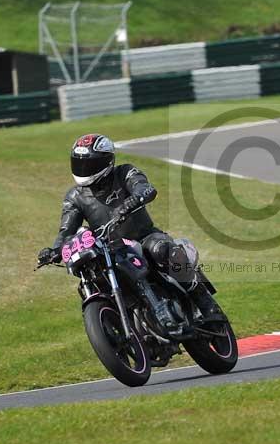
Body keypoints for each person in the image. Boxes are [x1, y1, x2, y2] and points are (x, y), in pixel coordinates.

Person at [37, 133, 213, 333]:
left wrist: (134, 199)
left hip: (144, 237)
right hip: (112, 248)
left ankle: (204, 301)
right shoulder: (75, 197)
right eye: (79, 163)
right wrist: (54, 250)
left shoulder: (125, 172)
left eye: (90, 164)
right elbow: (66, 230)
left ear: (107, 161)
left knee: (162, 250)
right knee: (96, 278)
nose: (84, 169)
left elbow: (146, 188)